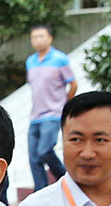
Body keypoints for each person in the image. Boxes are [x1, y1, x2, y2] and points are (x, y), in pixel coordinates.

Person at [27, 24, 77, 191]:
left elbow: (73, 83)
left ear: (50, 38)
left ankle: (68, 182)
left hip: (53, 114)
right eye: (34, 37)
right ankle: (40, 192)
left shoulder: (60, 59)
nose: (38, 40)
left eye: (41, 36)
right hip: (35, 117)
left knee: (44, 151)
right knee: (34, 159)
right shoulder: (30, 61)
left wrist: (66, 106)